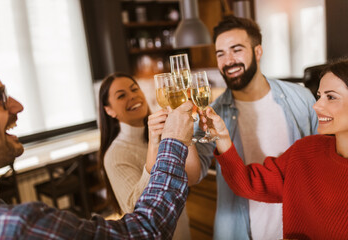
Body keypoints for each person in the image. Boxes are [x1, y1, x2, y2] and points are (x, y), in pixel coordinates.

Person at [0, 67, 194, 239]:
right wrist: (173, 141)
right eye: (0, 98)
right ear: (109, 110)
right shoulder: (13, 225)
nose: (18, 106)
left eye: (135, 89)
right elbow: (145, 231)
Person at [188, 15, 318, 239]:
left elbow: (323, 157)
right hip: (239, 232)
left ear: (258, 51)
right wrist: (181, 132)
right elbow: (192, 174)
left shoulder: (301, 98)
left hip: (300, 228)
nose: (228, 60)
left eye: (236, 50)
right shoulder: (212, 114)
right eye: (221, 53)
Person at [202, 58, 348, 239]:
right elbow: (247, 183)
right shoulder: (305, 150)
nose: (316, 105)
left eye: (331, 97)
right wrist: (222, 137)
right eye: (319, 96)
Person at [98, 73, 196, 239]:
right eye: (121, 96)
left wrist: (183, 131)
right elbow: (135, 211)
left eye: (135, 89)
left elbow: (191, 178)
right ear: (109, 110)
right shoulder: (115, 155)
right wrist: (154, 146)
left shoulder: (163, 133)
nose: (133, 96)